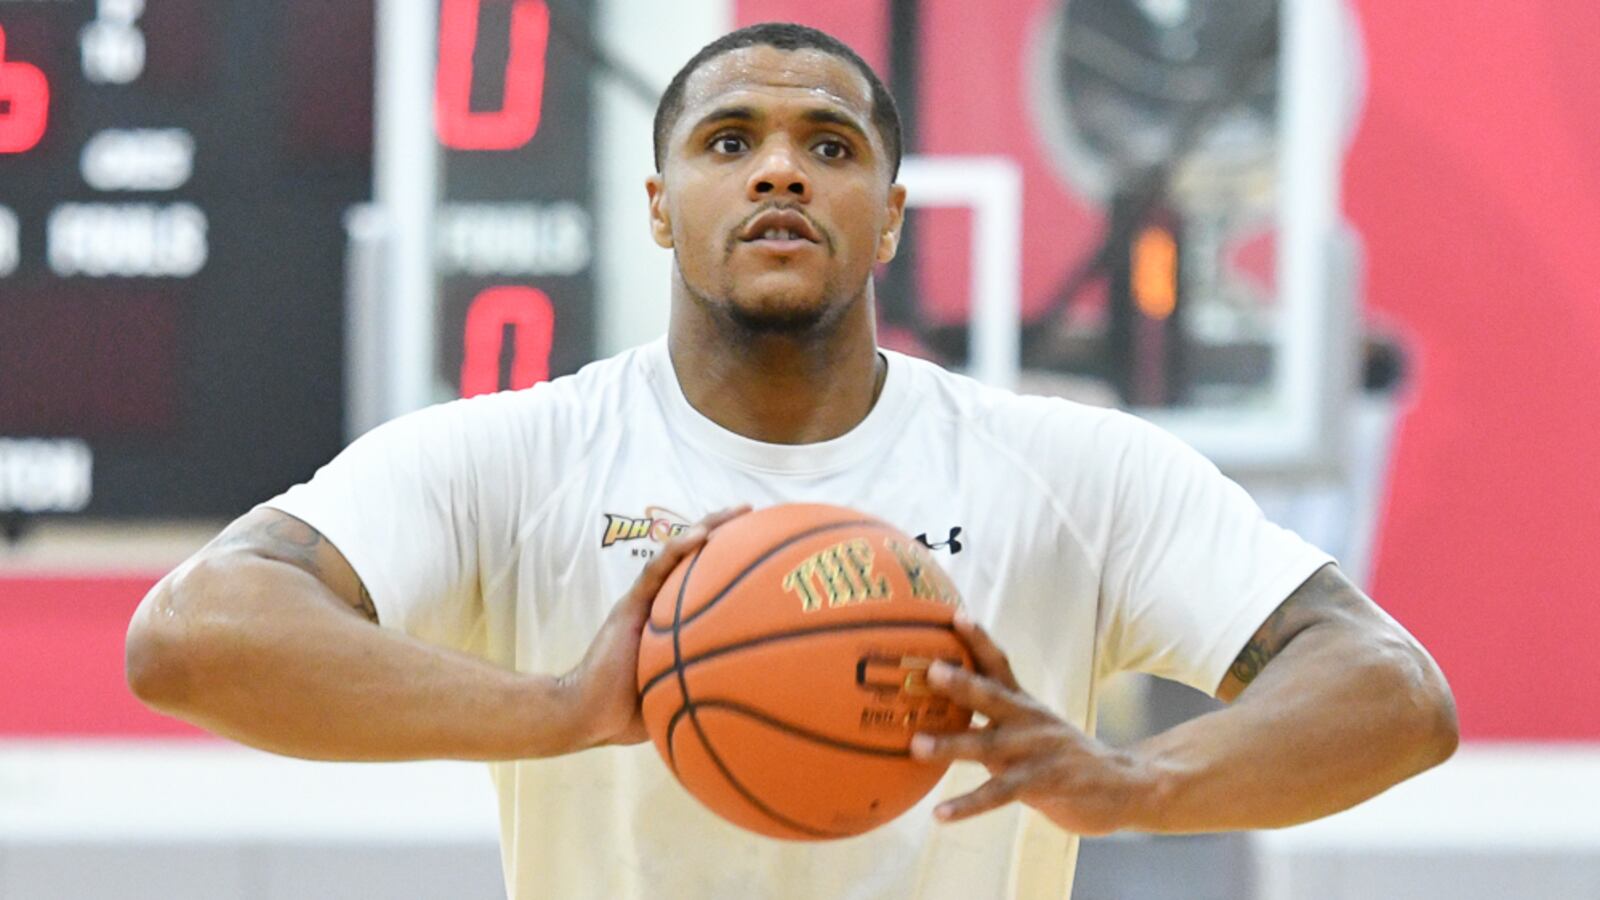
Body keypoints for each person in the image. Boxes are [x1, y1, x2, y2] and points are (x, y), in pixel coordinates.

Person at [125, 22, 1457, 900]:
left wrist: (1133, 786)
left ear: (889, 219)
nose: (780, 174)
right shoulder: (514, 458)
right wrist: (564, 709)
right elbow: (189, 638)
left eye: (829, 147)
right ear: (659, 205)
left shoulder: (1073, 470)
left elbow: (1393, 690)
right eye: (729, 142)